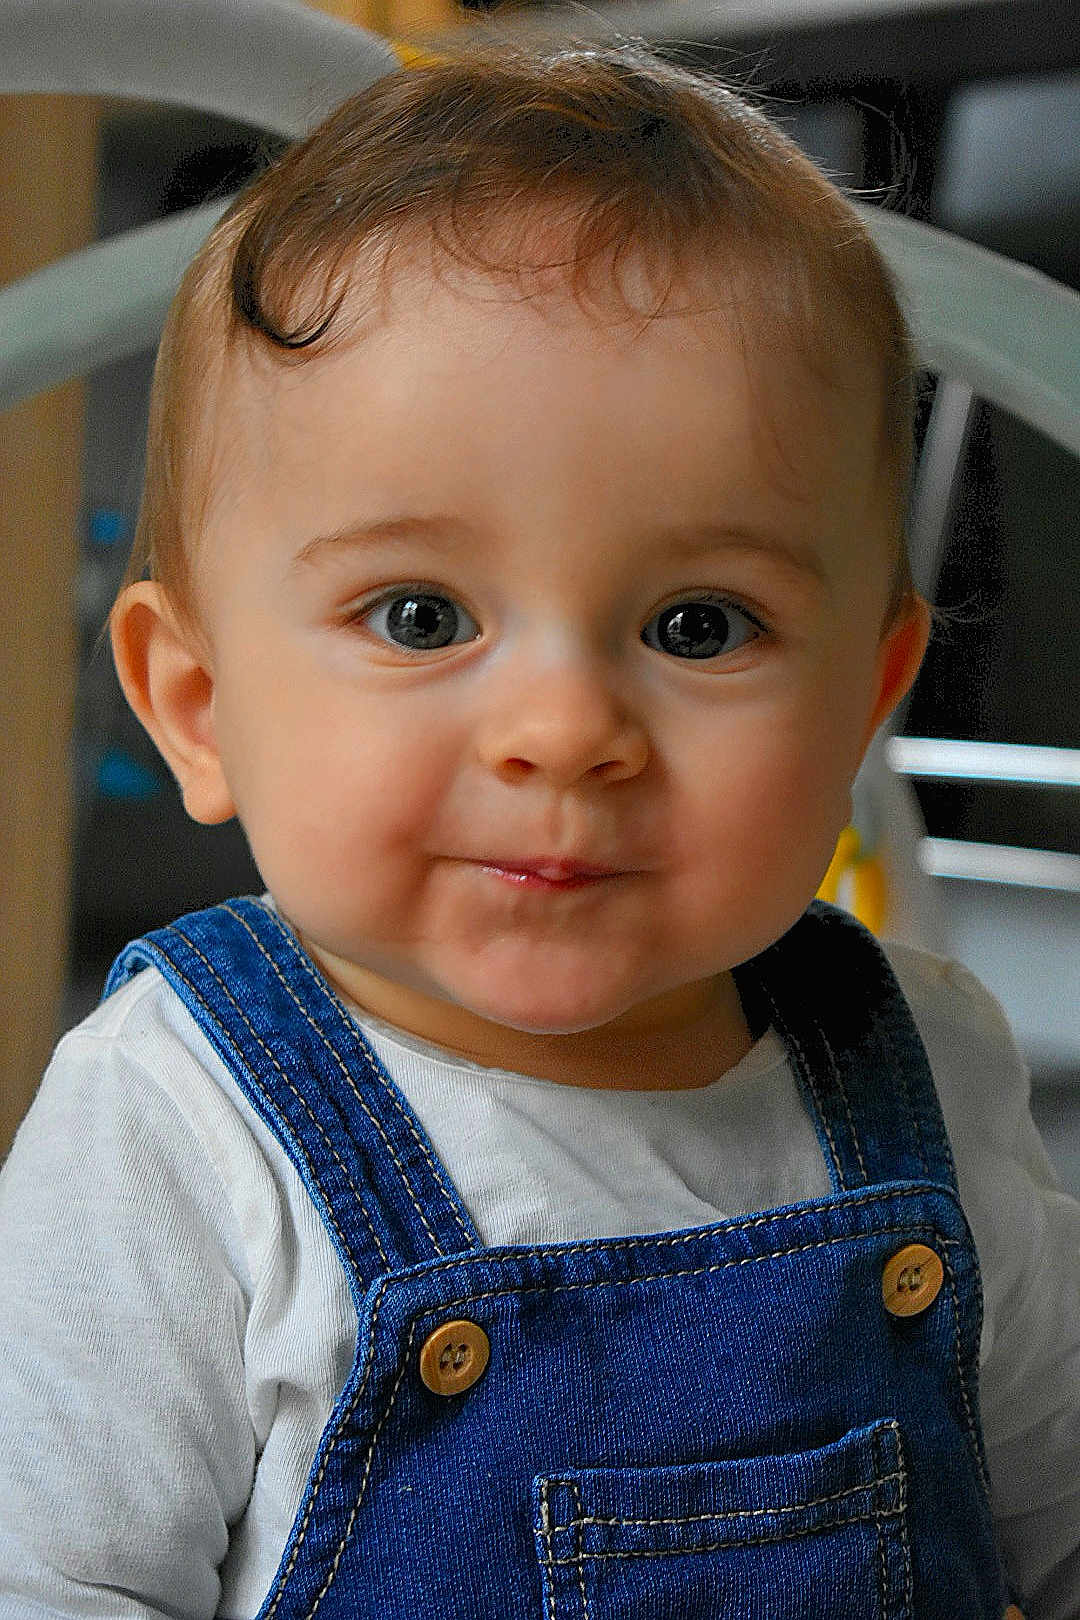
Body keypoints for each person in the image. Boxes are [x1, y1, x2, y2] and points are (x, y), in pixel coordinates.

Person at [0, 37, 1076, 1620]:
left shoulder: (936, 1074)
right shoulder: (173, 1127)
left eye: (701, 625)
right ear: (200, 703)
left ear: (865, 698)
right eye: (421, 615)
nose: (565, 729)